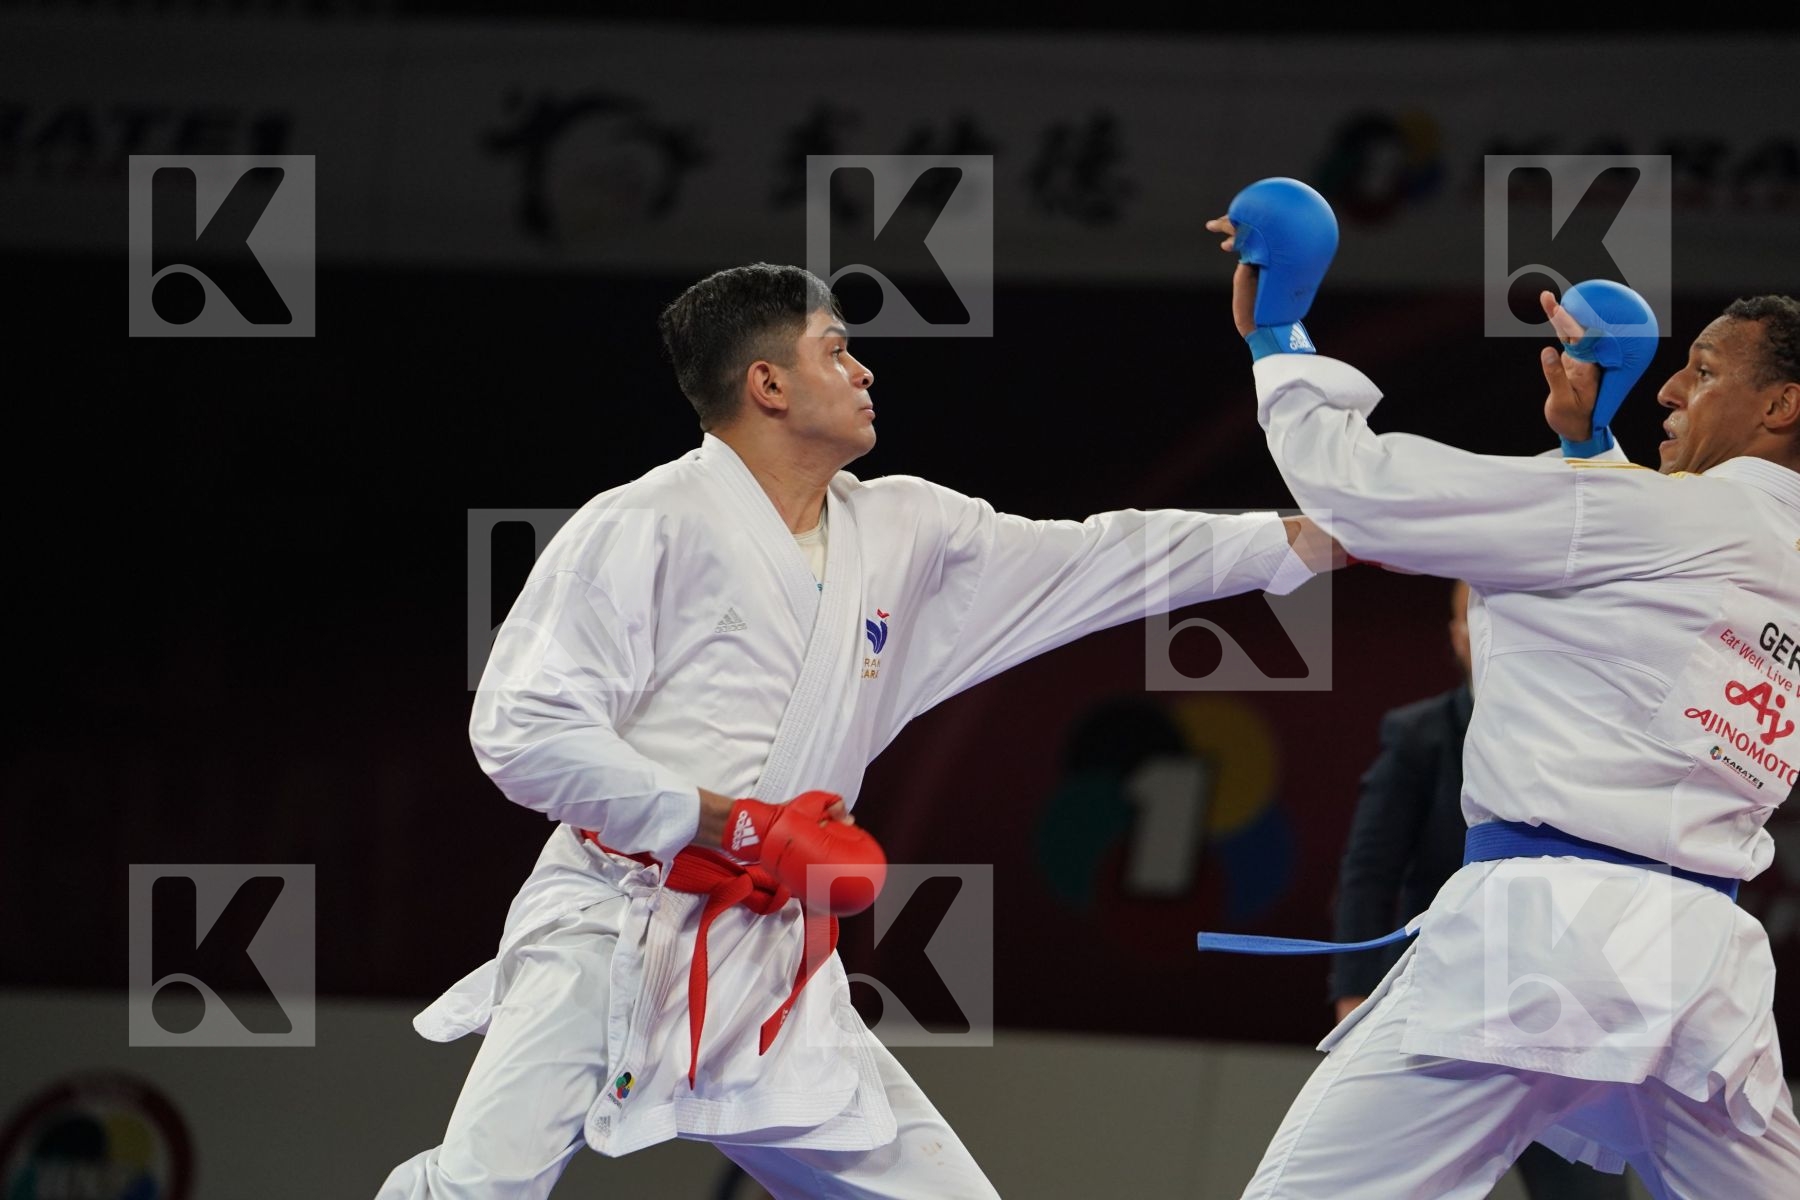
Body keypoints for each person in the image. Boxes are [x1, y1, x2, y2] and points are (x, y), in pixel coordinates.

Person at [377, 262, 1341, 1199]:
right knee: (478, 1187)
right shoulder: (643, 524)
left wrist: (1318, 534)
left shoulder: (906, 532)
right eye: (837, 350)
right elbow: (521, 732)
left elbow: (1105, 558)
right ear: (767, 384)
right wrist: (733, 824)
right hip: (612, 922)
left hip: (772, 953)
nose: (864, 370)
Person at [1205, 186, 1800, 1198]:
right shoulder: (1747, 541)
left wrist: (1279, 336)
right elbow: (1639, 634)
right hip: (1700, 976)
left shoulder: (1656, 519)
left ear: (1782, 407)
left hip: (1541, 945)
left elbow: (1362, 489)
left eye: (1701, 374)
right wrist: (1586, 453)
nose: (1667, 392)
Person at [1330, 579, 1631, 1200]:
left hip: (1552, 998)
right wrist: (1354, 991)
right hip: (1434, 989)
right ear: (1457, 637)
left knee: (1583, 1191)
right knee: (1387, 1180)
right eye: (1474, 616)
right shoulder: (1420, 735)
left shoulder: (1577, 732)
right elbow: (1369, 871)